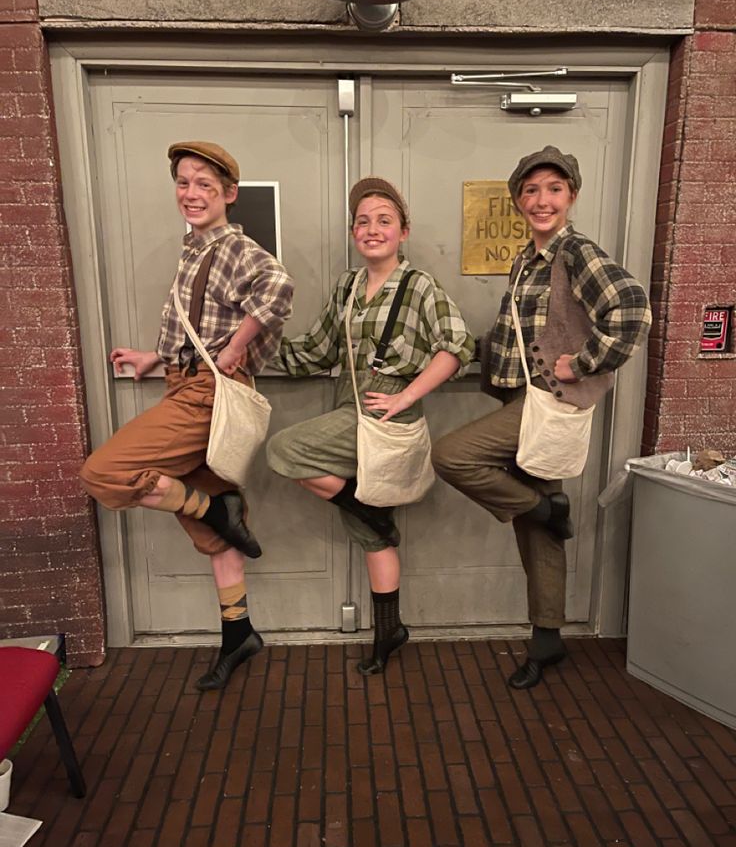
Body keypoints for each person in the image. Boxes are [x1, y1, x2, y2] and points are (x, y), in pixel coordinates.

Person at [432, 146, 652, 690]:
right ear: (517, 200)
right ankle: (548, 640)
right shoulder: (528, 258)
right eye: (530, 190)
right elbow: (521, 329)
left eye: (554, 188)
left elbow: (632, 310)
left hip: (547, 403)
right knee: (538, 532)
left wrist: (581, 364)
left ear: (571, 196)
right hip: (518, 399)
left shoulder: (575, 252)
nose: (541, 200)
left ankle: (542, 506)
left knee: (451, 455)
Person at [80, 141, 293, 691]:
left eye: (204, 183)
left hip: (208, 396)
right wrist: (155, 357)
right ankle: (239, 634)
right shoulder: (194, 250)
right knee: (217, 541)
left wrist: (238, 344)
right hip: (186, 384)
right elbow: (198, 321)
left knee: (102, 473)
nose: (191, 193)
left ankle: (212, 506)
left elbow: (279, 289)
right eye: (183, 182)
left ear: (229, 194)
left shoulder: (233, 248)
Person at [267, 177, 474, 674]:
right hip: (348, 406)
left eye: (384, 220)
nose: (372, 228)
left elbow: (457, 347)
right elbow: (318, 350)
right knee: (371, 531)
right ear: (352, 231)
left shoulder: (419, 284)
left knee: (283, 450)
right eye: (363, 220)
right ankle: (391, 631)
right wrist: (249, 349)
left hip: (388, 414)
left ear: (404, 230)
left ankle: (363, 513)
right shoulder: (347, 285)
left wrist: (405, 395)